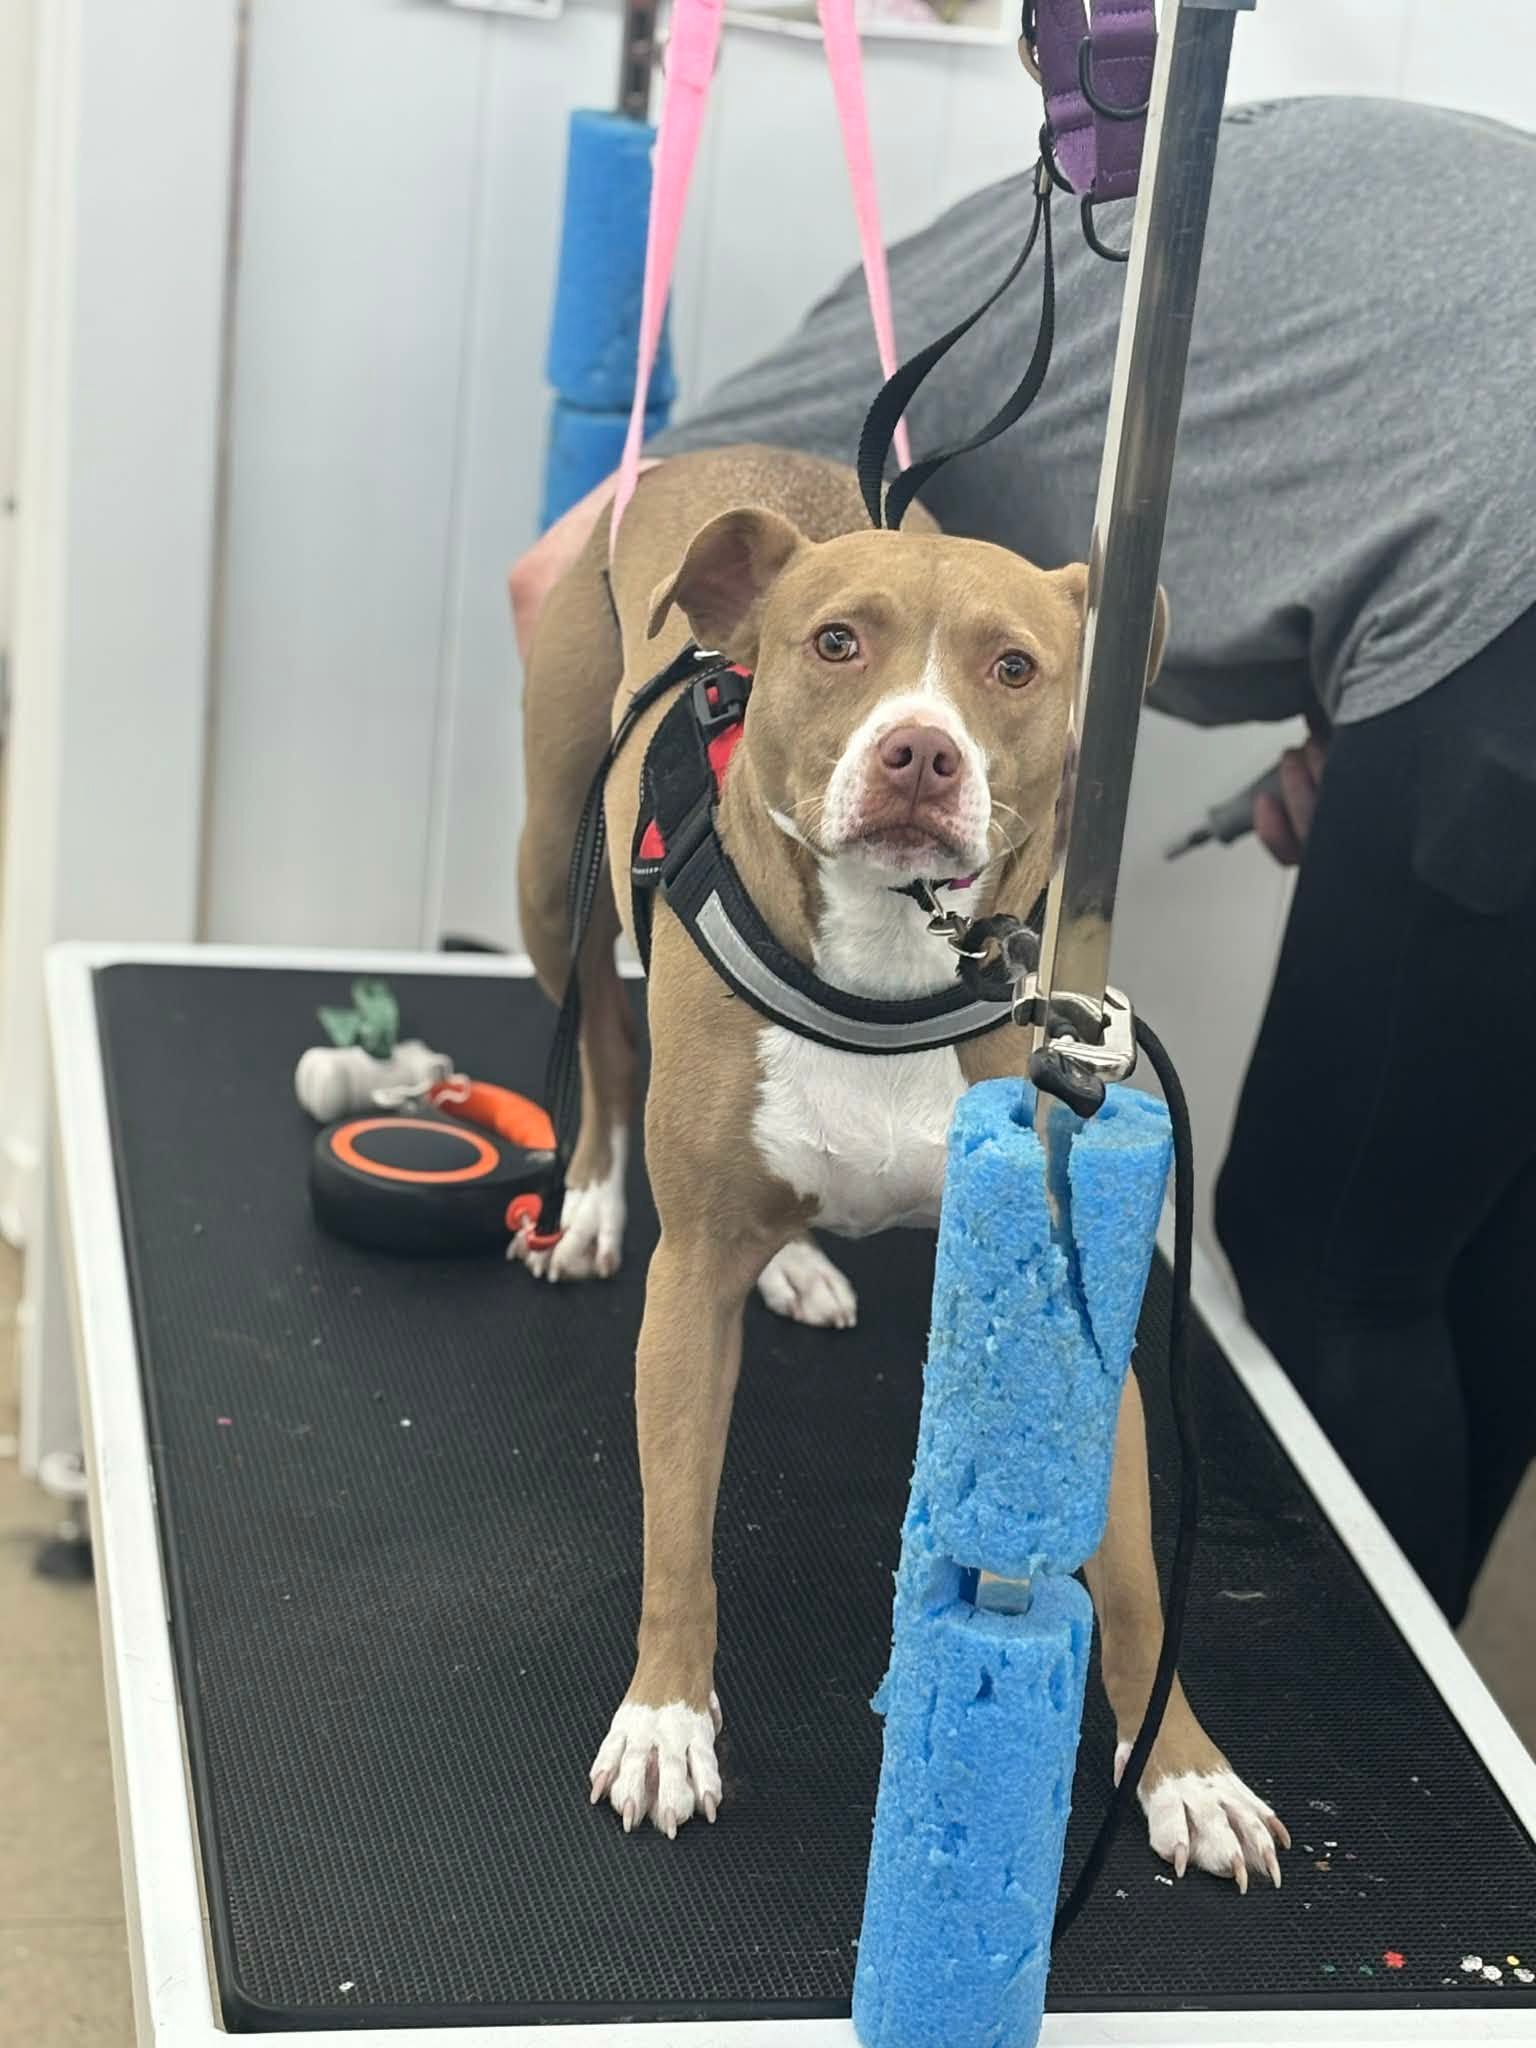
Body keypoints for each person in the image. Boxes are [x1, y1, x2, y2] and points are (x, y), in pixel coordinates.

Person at [508, 95, 1536, 1626]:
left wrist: (1431, 722)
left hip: (1492, 621)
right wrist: (1368, 727)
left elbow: (559, 557)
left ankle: (1350, 1700)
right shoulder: (1244, 162)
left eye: (999, 666)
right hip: (1480, 616)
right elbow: (645, 546)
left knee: (1329, 1258)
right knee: (1475, 1226)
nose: (919, 720)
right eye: (847, 641)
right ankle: (1433, 1702)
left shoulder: (1016, 253)